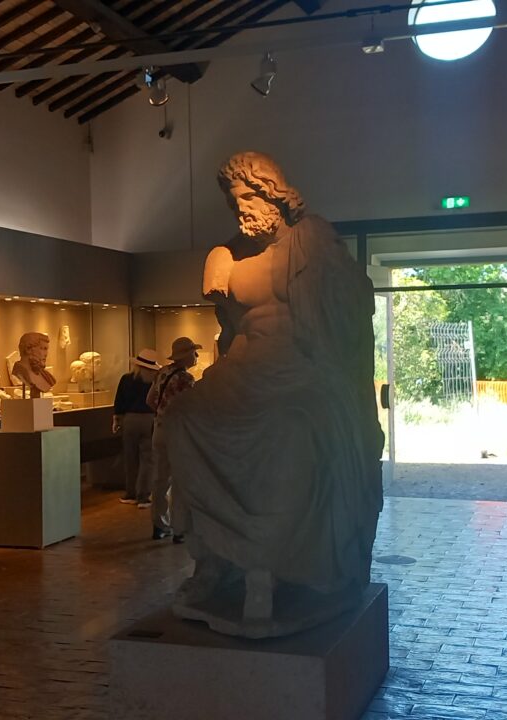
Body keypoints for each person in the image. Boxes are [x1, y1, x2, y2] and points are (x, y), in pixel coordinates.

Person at [165, 152, 384, 635]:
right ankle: (214, 560)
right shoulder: (228, 255)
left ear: (274, 193)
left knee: (290, 430)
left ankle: (270, 565)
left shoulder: (312, 241)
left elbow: (351, 311)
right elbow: (229, 331)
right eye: (233, 201)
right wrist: (218, 266)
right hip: (241, 372)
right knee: (182, 418)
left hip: (305, 373)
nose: (240, 208)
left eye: (248, 196)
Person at [146, 337, 200, 541]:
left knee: (160, 479)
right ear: (186, 355)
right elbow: (191, 407)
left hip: (159, 429)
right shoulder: (186, 379)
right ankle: (179, 527)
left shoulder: (162, 372)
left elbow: (150, 400)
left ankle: (159, 525)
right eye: (193, 352)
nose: (196, 356)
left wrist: (162, 414)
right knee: (180, 480)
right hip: (178, 433)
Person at [112, 349, 160, 508]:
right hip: (149, 419)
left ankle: (130, 494)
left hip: (129, 419)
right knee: (147, 458)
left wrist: (117, 419)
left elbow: (119, 401)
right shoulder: (155, 381)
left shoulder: (126, 379)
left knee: (130, 458)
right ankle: (144, 496)